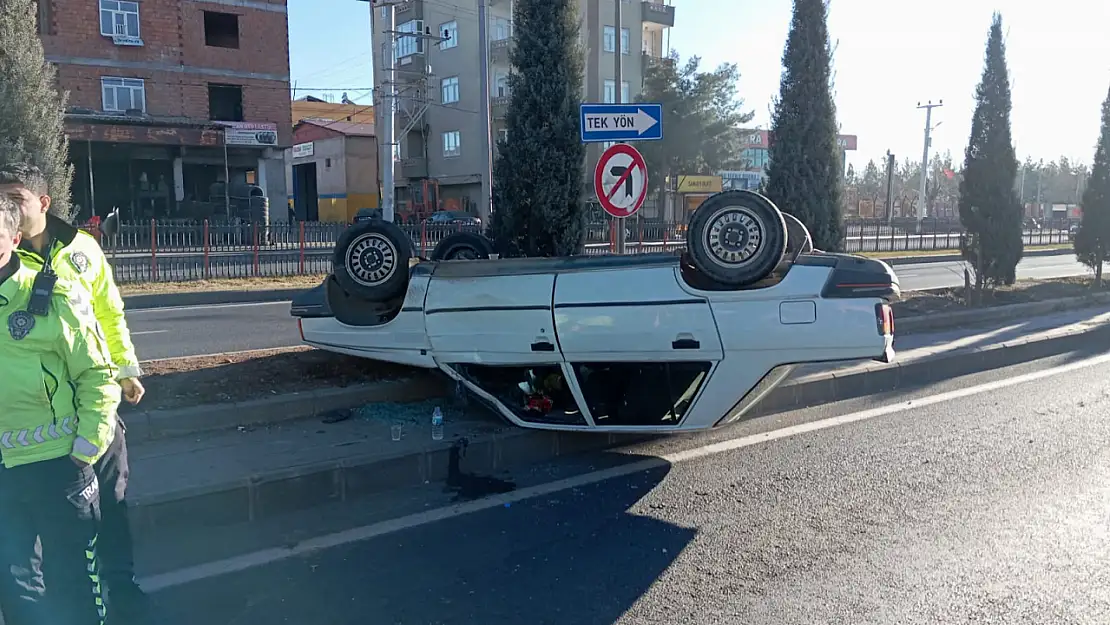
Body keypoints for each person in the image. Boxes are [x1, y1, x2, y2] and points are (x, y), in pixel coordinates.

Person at [0, 163, 148, 615]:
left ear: (43, 203)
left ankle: (122, 593)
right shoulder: (13, 261)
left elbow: (109, 311)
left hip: (90, 406)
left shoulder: (82, 249)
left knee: (108, 511)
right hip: (39, 422)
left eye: (16, 199)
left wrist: (125, 370)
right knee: (43, 550)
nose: (10, 207)